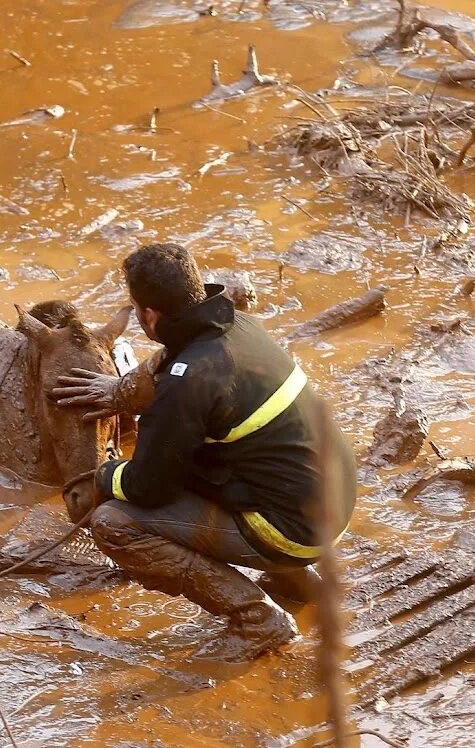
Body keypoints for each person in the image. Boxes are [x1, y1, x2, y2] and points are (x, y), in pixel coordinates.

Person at [52, 244, 357, 662]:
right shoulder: (238, 328)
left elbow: (148, 487)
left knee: (113, 521)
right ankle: (300, 584)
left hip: (290, 531)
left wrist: (103, 477)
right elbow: (166, 363)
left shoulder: (188, 382)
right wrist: (120, 392)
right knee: (234, 461)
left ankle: (256, 619)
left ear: (149, 315)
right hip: (331, 506)